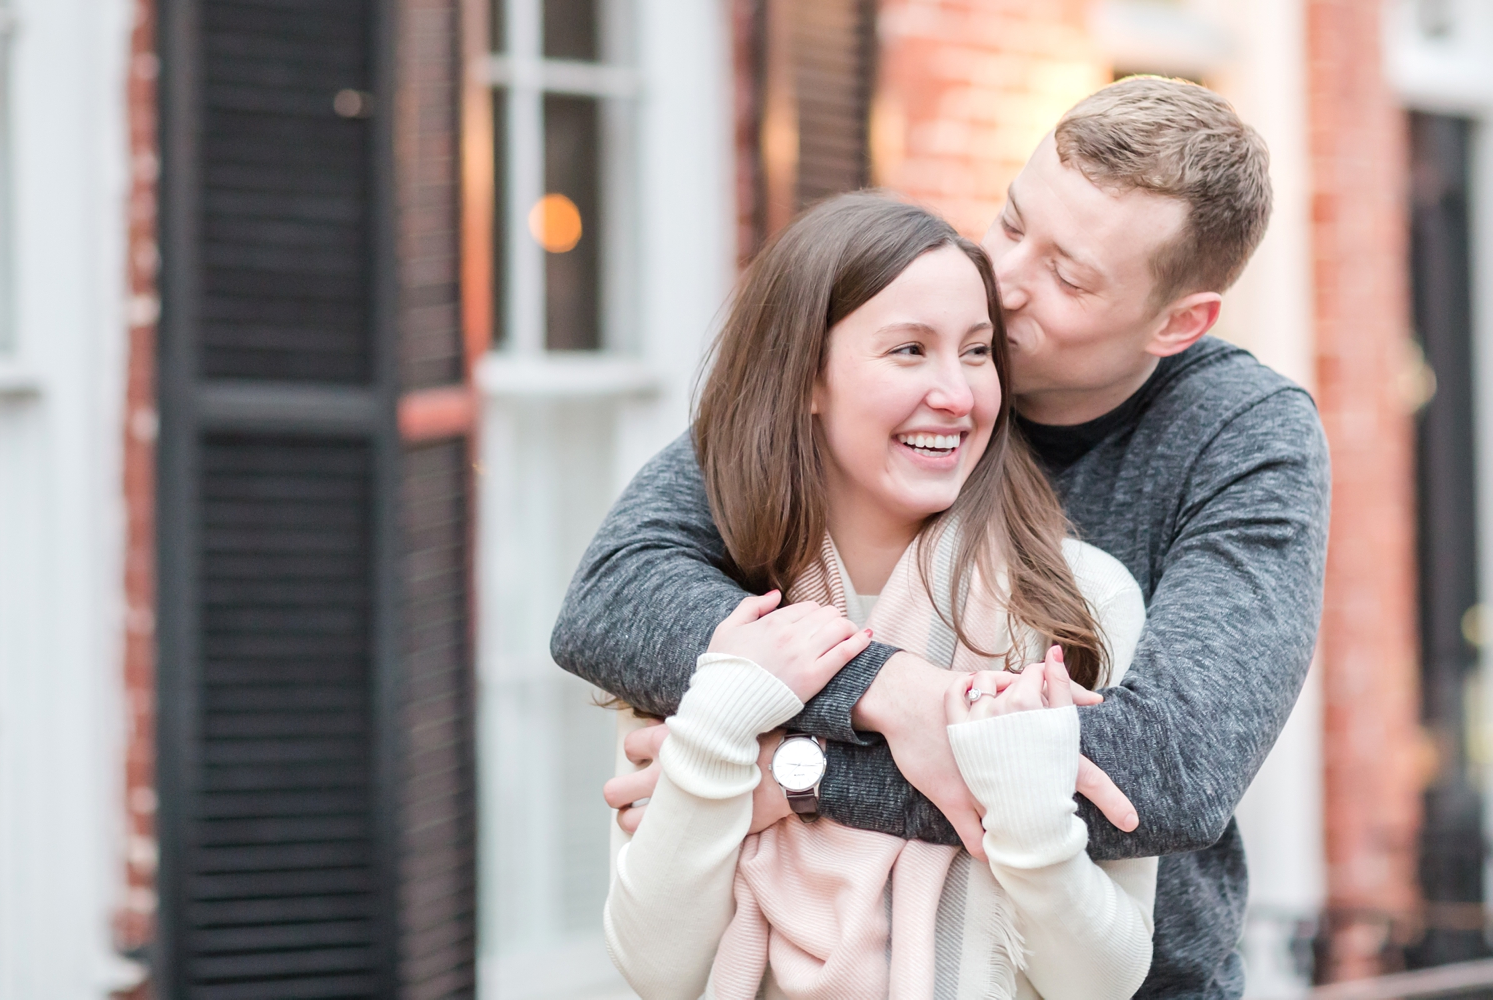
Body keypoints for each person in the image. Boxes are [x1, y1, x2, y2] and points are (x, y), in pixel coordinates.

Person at [555, 76, 1331, 998]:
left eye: (1069, 276)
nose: (1005, 284)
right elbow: (614, 595)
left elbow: (1168, 773)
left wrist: (787, 775)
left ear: (1179, 322)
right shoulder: (875, 381)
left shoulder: (1242, 439)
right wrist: (886, 691)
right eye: (1011, 224)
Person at [606, 191, 1156, 1000]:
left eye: (976, 353)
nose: (958, 395)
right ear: (805, 380)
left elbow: (1104, 982)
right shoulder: (699, 601)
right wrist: (721, 724)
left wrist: (1026, 813)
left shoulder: (1079, 601)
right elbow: (655, 970)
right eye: (908, 350)